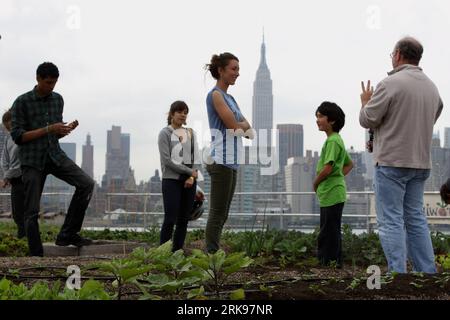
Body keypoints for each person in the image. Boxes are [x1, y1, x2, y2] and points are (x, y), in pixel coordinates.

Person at [359, 37, 443, 273]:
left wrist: (365, 102)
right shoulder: (432, 87)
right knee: (416, 219)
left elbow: (368, 118)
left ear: (397, 54)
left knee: (391, 220)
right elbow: (434, 112)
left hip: (391, 163)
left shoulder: (390, 83)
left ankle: (398, 273)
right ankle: (426, 273)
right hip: (420, 163)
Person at [11, 62, 95, 256]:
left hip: (54, 155)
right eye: (48, 82)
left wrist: (63, 130)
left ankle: (68, 234)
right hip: (32, 160)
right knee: (31, 210)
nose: (52, 86)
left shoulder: (58, 99)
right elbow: (18, 136)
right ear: (38, 79)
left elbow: (53, 134)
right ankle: (36, 254)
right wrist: (49, 129)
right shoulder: (22, 102)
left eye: (55, 83)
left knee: (86, 183)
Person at [204, 52, 252, 253]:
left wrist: (239, 125)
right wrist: (239, 125)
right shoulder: (215, 95)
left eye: (238, 69)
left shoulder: (230, 98)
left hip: (232, 161)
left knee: (223, 213)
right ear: (221, 70)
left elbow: (249, 130)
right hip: (220, 159)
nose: (237, 73)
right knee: (217, 212)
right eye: (233, 69)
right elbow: (235, 127)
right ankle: (211, 256)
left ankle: (213, 251)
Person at [313, 102, 353, 267]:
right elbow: (349, 164)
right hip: (332, 192)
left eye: (321, 116)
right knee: (332, 230)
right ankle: (334, 264)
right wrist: (337, 177)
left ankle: (327, 264)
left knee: (328, 232)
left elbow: (328, 168)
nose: (317, 120)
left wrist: (316, 183)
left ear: (332, 121)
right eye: (317, 116)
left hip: (331, 193)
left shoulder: (332, 141)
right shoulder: (337, 140)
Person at [158, 100, 201, 252]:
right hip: (171, 181)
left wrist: (191, 177)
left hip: (189, 181)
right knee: (170, 219)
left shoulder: (190, 133)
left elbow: (196, 157)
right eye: (180, 112)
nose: (183, 115)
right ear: (171, 114)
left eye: (185, 112)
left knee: (183, 220)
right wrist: (190, 172)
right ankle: (162, 254)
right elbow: (167, 161)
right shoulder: (165, 133)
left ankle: (177, 252)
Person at [1, 110, 25, 238]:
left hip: (24, 178)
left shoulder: (23, 135)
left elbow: (18, 162)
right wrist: (7, 175)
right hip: (14, 179)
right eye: (6, 126)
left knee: (24, 212)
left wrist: (6, 177)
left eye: (9, 124)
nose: (8, 128)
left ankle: (25, 238)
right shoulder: (7, 138)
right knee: (17, 213)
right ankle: (23, 237)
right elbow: (4, 159)